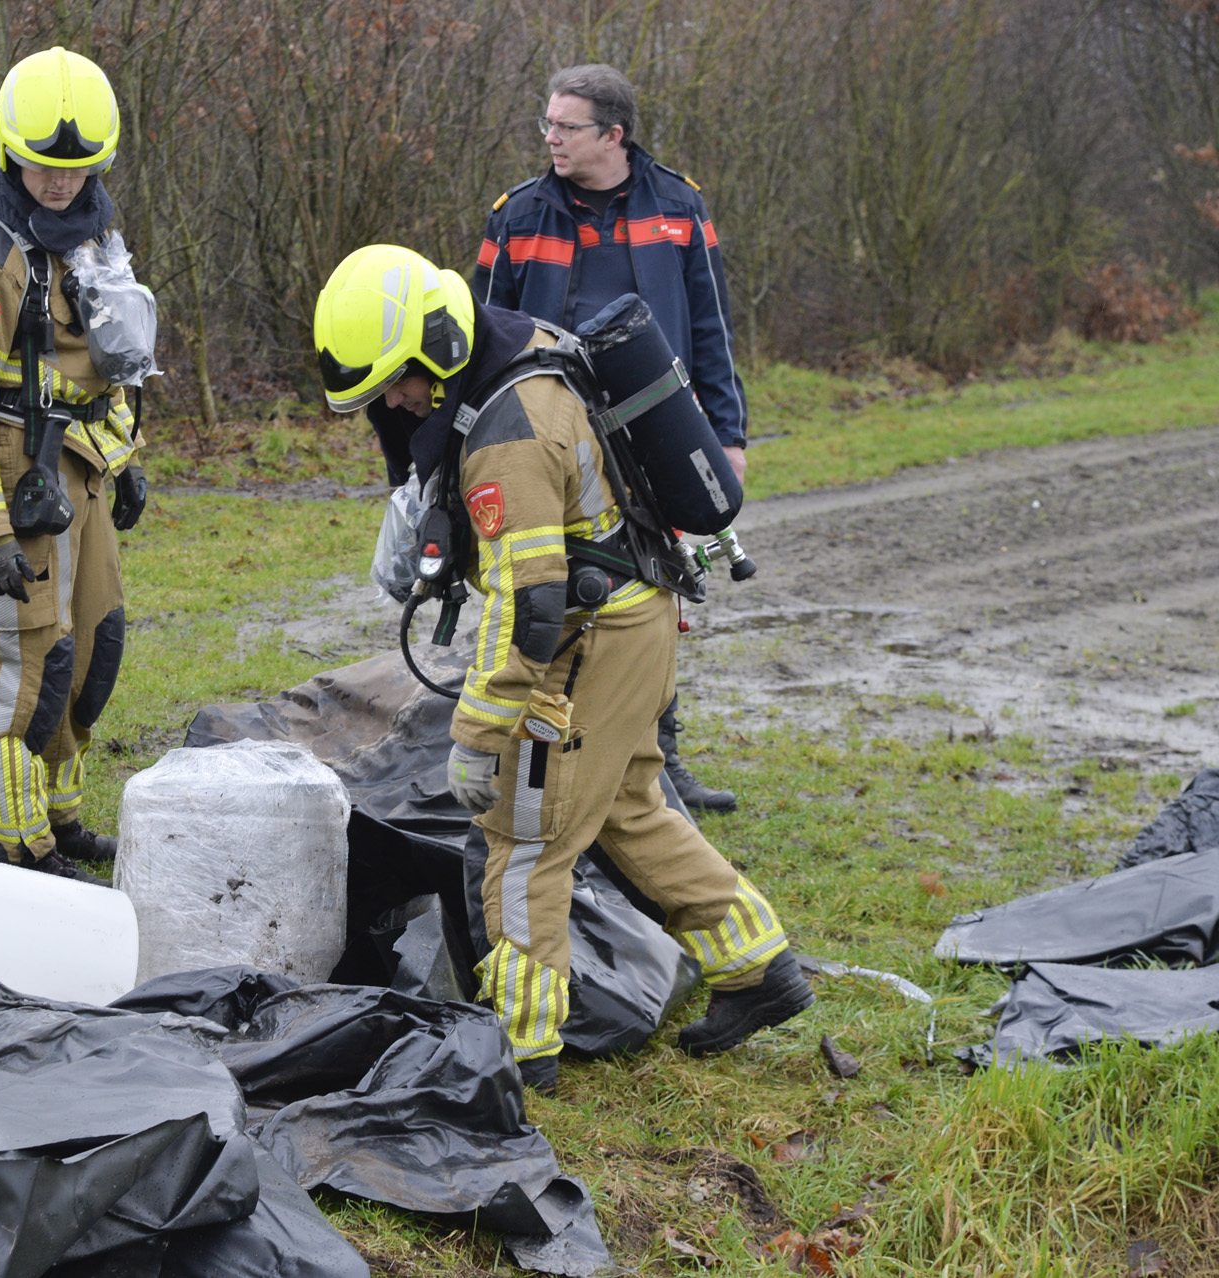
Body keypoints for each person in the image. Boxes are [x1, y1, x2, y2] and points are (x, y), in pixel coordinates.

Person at [314, 245, 812, 1090]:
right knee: (628, 808)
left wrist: (477, 732)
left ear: (432, 347)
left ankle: (519, 1046)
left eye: (396, 384)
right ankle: (757, 965)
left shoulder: (508, 435)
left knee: (524, 838)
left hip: (590, 640)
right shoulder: (510, 350)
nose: (394, 404)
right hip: (636, 622)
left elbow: (529, 603)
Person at [472, 63, 743, 814]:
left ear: (613, 135)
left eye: (566, 126)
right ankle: (548, 741)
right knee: (555, 584)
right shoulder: (518, 214)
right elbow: (481, 330)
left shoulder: (680, 207)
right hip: (550, 435)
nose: (550, 138)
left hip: (653, 427)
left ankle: (660, 762)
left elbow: (712, 329)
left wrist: (727, 434)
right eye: (547, 125)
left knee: (654, 588)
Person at [0, 46, 149, 882]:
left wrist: (124, 460)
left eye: (77, 168)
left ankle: (60, 815)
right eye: (43, 167)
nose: (59, 183)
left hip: (86, 472)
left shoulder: (94, 235)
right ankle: (9, 838)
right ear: (8, 150)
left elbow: (111, 358)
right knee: (28, 662)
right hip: (21, 483)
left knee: (92, 654)